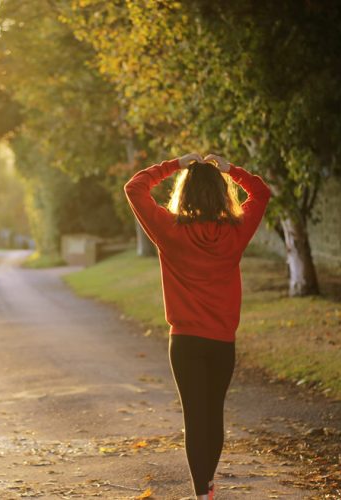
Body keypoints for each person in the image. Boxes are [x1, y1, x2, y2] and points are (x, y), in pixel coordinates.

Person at [123, 153, 271, 500]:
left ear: (185, 193)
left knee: (195, 418)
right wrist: (230, 170)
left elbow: (135, 187)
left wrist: (175, 164)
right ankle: (207, 487)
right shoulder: (235, 232)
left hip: (185, 342)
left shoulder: (170, 231)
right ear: (222, 194)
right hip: (221, 341)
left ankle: (201, 493)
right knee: (213, 414)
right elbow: (261, 193)